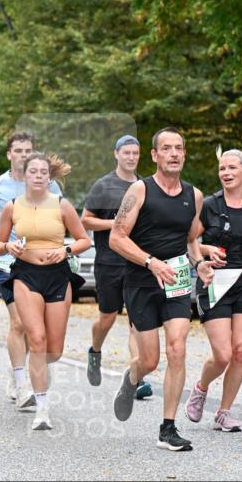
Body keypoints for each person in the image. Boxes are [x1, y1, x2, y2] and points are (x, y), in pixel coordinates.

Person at [109, 127, 215, 452]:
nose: (173, 153)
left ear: (184, 154)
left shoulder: (193, 195)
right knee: (150, 361)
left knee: (178, 348)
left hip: (178, 280)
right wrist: (150, 262)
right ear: (154, 155)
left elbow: (191, 239)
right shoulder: (140, 191)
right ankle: (131, 379)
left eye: (178, 148)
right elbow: (116, 237)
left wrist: (199, 264)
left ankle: (167, 428)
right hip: (142, 280)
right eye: (166, 148)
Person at [0, 153, 90, 430]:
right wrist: (8, 247)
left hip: (58, 277)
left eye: (43, 172)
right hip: (26, 276)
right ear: (25, 176)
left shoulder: (62, 205)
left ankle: (31, 373)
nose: (37, 175)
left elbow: (84, 240)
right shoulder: (12, 207)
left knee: (54, 350)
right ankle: (42, 408)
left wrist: (66, 249)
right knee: (36, 339)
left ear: (49, 177)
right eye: (32, 171)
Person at [185, 149, 242, 432]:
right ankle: (201, 387)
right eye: (222, 168)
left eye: (232, 168)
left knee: (240, 351)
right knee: (222, 354)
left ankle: (224, 412)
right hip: (214, 281)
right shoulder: (209, 205)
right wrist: (207, 252)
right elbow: (190, 241)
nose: (226, 173)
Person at [0, 131, 62, 408]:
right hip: (8, 260)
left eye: (28, 150)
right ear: (9, 154)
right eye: (18, 150)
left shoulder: (50, 186)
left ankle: (18, 368)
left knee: (35, 326)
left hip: (42, 263)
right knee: (19, 321)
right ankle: (20, 383)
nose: (23, 155)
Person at [81, 135, 153, 399]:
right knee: (108, 318)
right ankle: (95, 351)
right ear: (117, 154)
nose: (131, 157)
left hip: (136, 262)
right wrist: (115, 225)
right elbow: (85, 221)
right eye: (127, 153)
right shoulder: (103, 185)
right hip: (108, 262)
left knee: (137, 322)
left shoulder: (145, 186)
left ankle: (137, 379)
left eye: (135, 153)